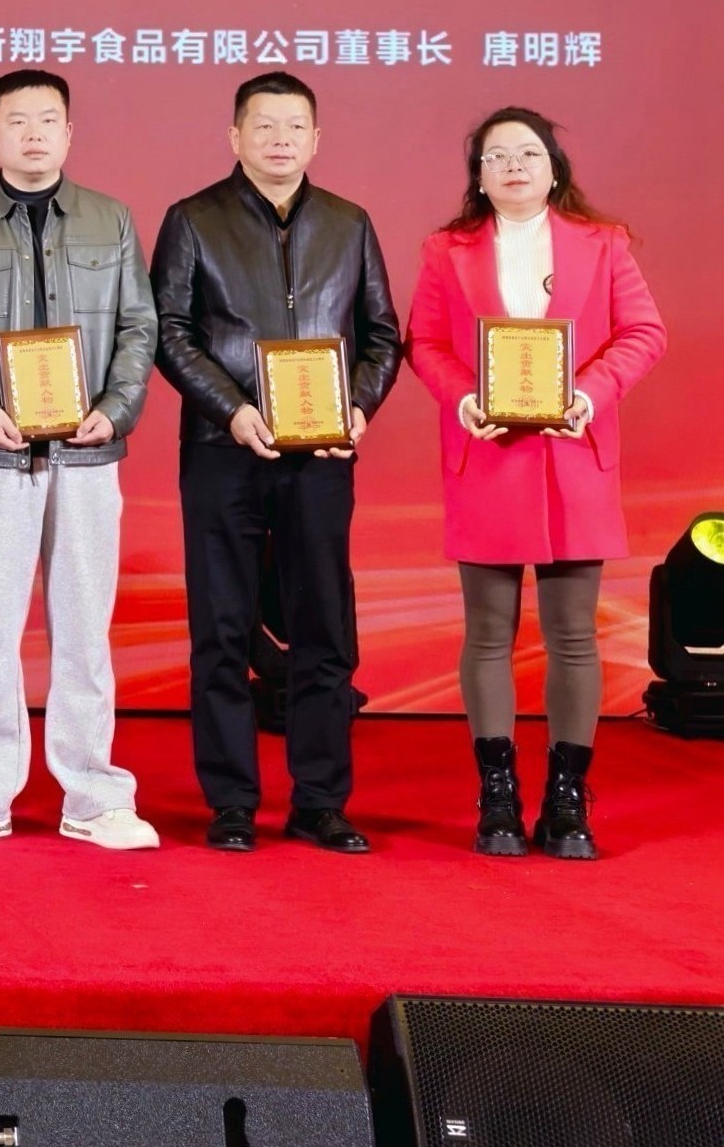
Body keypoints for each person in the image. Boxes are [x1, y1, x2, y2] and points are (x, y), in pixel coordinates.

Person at [404, 107, 664, 859]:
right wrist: (462, 398)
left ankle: (566, 799)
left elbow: (643, 332)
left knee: (573, 636)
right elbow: (425, 341)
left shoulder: (602, 243)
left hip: (573, 452)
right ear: (478, 177)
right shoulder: (446, 250)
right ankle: (497, 797)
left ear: (554, 170)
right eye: (496, 157)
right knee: (487, 633)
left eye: (527, 154)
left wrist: (589, 393)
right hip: (486, 454)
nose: (513, 166)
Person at [151, 70, 401, 855]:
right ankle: (230, 801)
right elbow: (168, 330)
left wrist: (356, 408)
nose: (279, 140)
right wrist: (232, 409)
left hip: (320, 454)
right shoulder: (193, 219)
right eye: (263, 125)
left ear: (316, 138)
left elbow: (382, 335)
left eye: (294, 126)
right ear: (235, 136)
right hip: (222, 450)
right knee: (220, 629)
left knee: (323, 627)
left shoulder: (348, 222)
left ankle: (320, 802)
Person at [0, 70, 161, 851]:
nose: (32, 133)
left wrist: (113, 410)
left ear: (67, 132)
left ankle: (93, 795)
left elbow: (138, 326)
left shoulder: (109, 220)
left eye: (46, 119)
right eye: (15, 121)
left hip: (88, 453)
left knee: (84, 629)